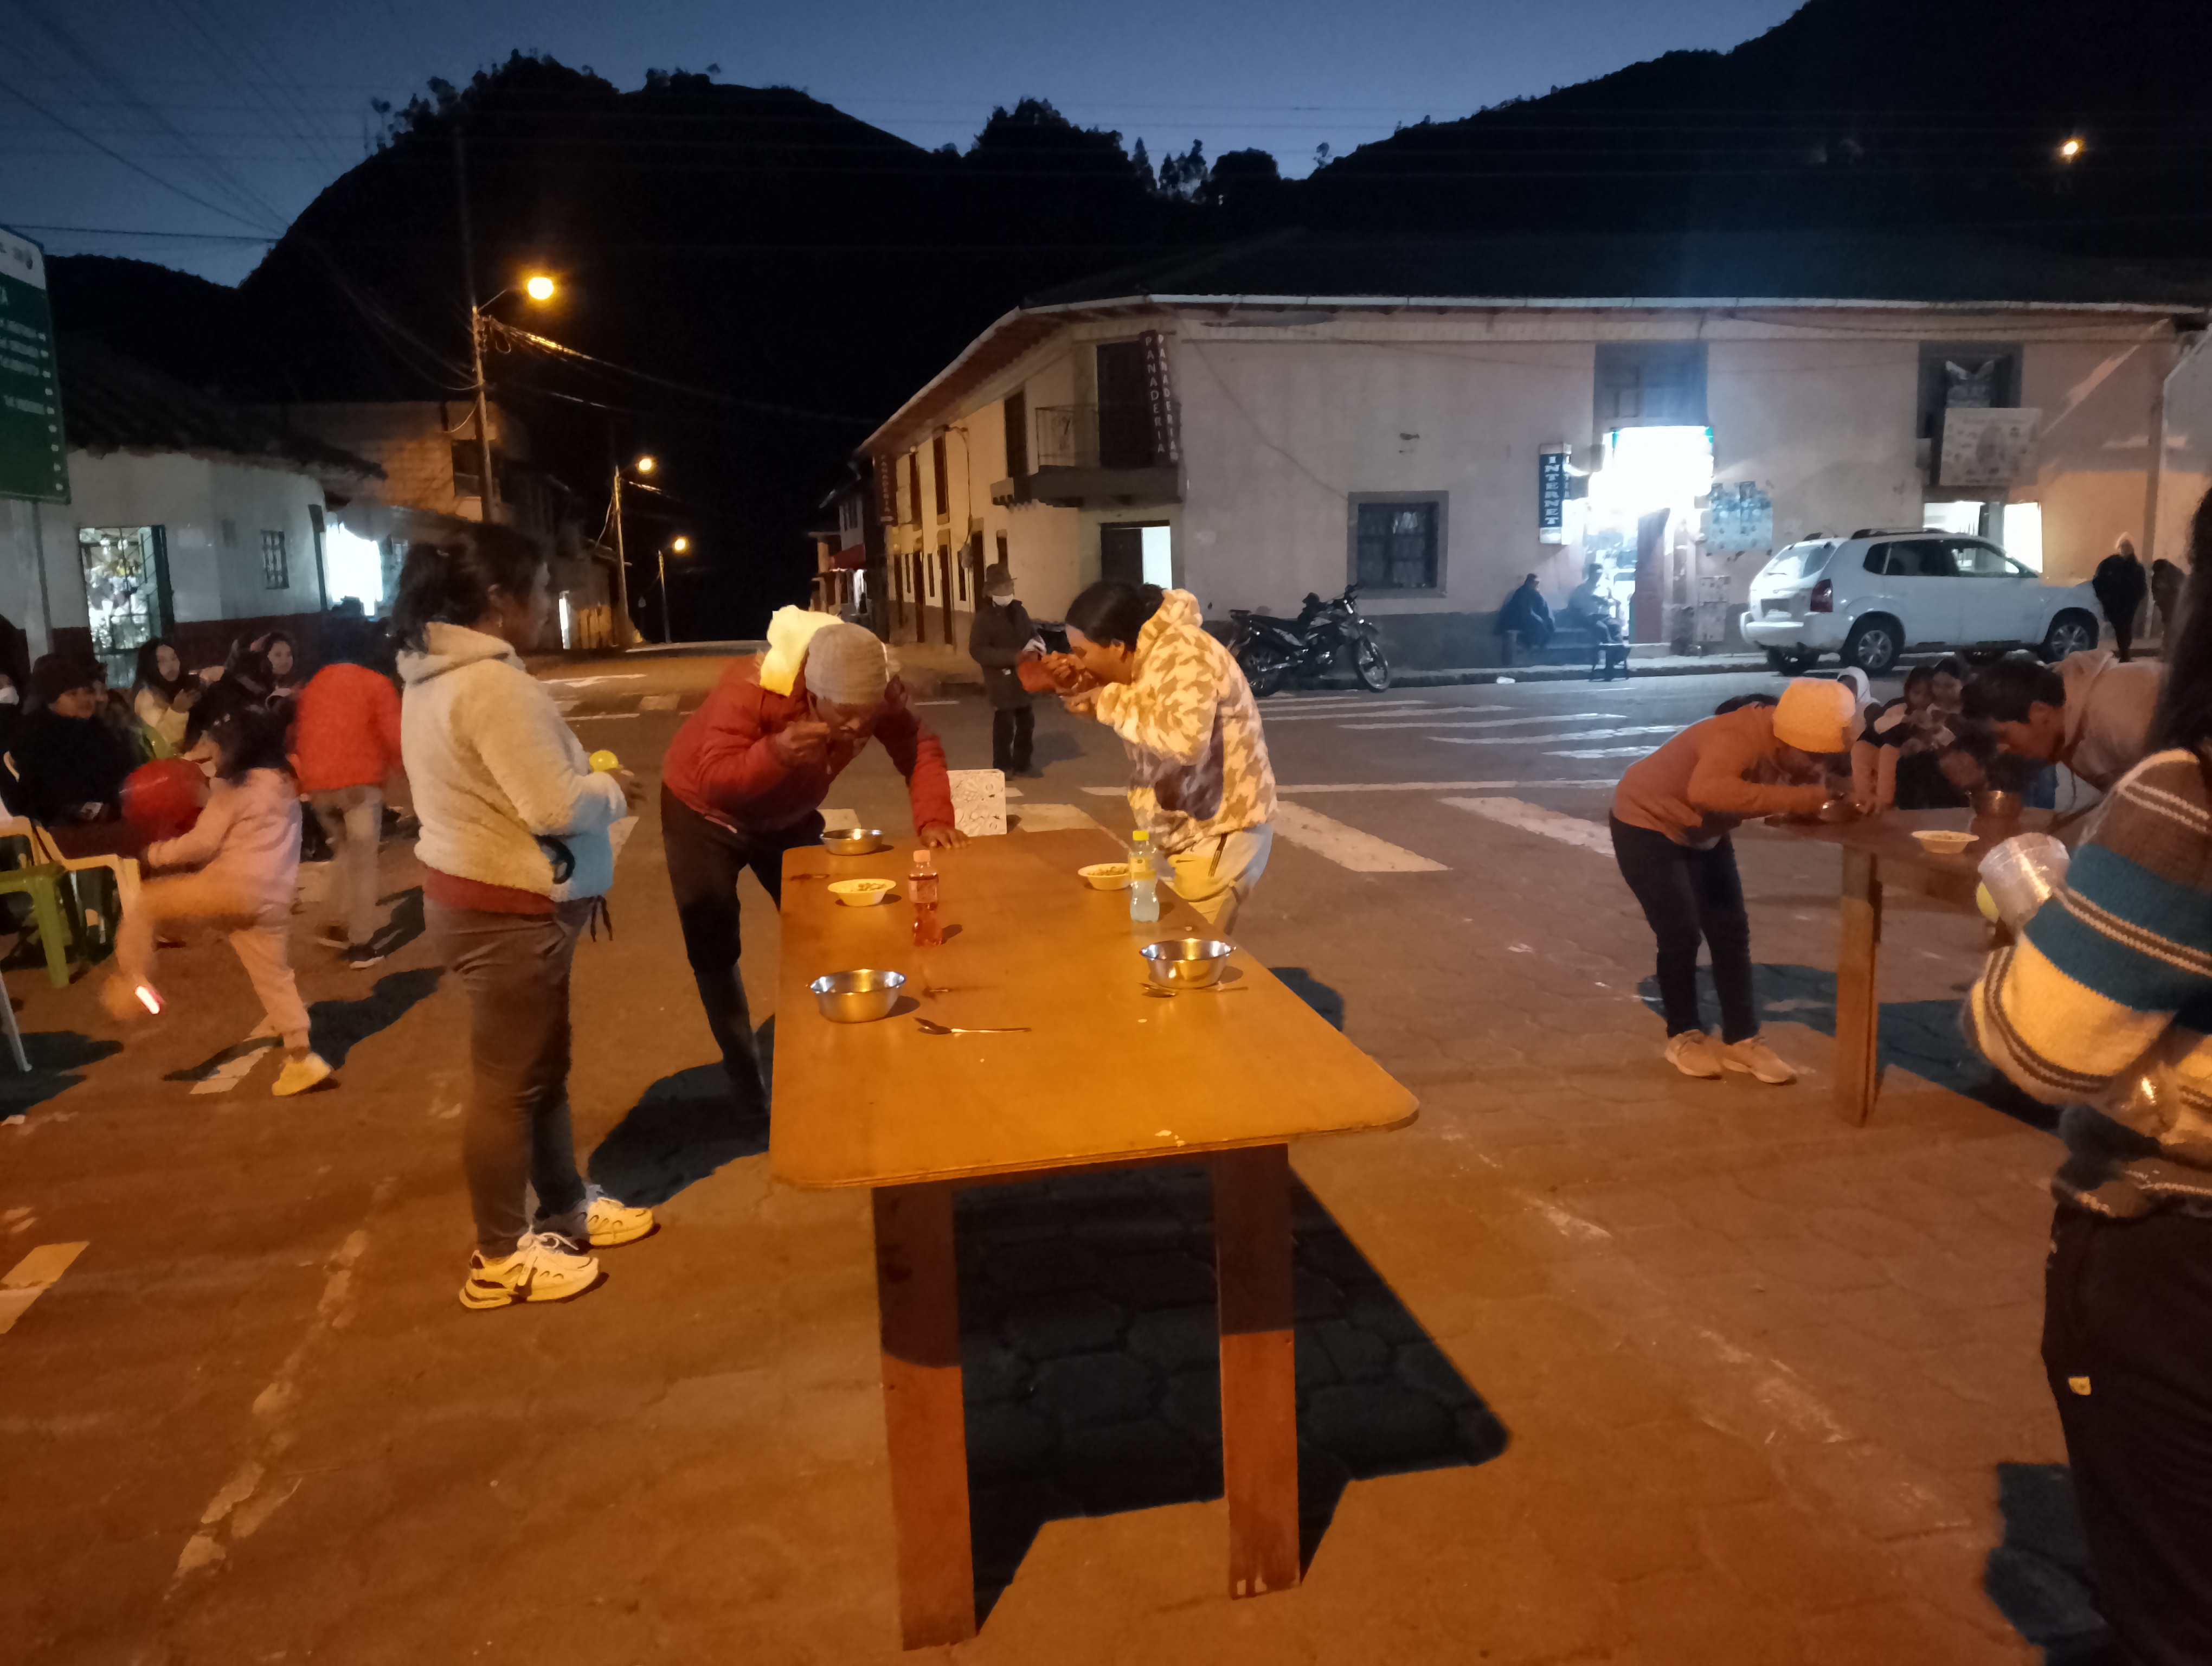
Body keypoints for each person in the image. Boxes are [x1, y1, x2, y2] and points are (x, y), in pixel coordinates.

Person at [1963, 534, 2212, 1664]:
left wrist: (2040, 919)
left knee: (2172, 1602)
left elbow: (2039, 1043)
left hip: (2179, 1253)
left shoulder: (2190, 785)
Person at [395, 524, 654, 1310]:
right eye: (540, 589)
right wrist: (612, 789)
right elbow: (554, 805)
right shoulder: (492, 685)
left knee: (539, 1073)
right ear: (497, 600)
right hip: (505, 910)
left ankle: (565, 1206)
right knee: (509, 1085)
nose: (550, 602)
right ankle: (500, 1258)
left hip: (483, 899)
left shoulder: (433, 676)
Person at [660, 621, 961, 1117]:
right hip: (703, 812)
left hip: (787, 815)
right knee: (713, 948)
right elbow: (715, 778)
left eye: (868, 714)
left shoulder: (877, 695)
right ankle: (745, 1079)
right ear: (815, 693)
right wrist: (775, 754)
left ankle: (839, 1057)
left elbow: (919, 746)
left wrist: (935, 821)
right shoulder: (755, 688)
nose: (858, 727)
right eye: (845, 714)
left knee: (825, 931)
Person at [1610, 677, 1855, 1084]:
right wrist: (1805, 800)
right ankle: (1683, 1035)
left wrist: (1850, 799)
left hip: (1704, 831)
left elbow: (1809, 792)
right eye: (1812, 758)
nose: (1818, 769)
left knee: (1730, 931)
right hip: (1646, 821)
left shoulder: (1797, 748)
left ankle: (1742, 1039)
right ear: (1784, 739)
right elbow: (1708, 792)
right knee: (1681, 933)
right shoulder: (1737, 737)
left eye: (1826, 760)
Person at [102, 702, 332, 1097]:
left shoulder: (236, 792)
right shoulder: (284, 784)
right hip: (274, 899)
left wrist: (154, 854)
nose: (212, 749)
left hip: (230, 889)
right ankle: (301, 1057)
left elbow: (202, 844)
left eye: (218, 743)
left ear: (237, 748)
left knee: (150, 902)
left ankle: (133, 981)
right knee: (274, 977)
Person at [1041, 581, 1277, 932]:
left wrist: (1108, 700)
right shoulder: (1152, 657)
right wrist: (1083, 683)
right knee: (1175, 948)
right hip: (1195, 836)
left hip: (1219, 835)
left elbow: (1184, 739)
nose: (1076, 659)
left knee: (1186, 951)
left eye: (1082, 652)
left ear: (1118, 646)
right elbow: (1147, 705)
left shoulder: (1183, 653)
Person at [294, 617, 406, 967]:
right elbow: (396, 738)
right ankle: (361, 943)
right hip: (360, 785)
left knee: (344, 853)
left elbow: (303, 735)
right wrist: (408, 777)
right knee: (364, 863)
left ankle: (336, 922)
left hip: (318, 787)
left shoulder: (314, 685)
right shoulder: (375, 683)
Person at [1961, 650, 2162, 797]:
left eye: (2002, 736)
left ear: (2040, 712)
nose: (2001, 748)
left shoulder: (2117, 715)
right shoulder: (2065, 728)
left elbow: (2177, 790)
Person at [12, 656, 135, 849]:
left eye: (87, 692)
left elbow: (125, 770)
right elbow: (43, 795)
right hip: (65, 831)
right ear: (51, 700)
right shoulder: (37, 736)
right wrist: (86, 809)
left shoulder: (95, 728)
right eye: (72, 694)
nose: (84, 699)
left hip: (114, 817)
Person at [969, 564, 1041, 776]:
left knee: (1027, 721)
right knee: (1005, 724)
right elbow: (978, 650)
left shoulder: (1020, 612)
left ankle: (1023, 763)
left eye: (1008, 585)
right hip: (1000, 680)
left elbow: (1032, 634)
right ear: (990, 591)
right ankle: (1002, 765)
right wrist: (1012, 657)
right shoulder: (984, 618)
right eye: (1001, 587)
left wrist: (1038, 646)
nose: (1006, 590)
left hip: (1024, 677)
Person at [132, 638, 200, 753]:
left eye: (174, 658)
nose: (171, 665)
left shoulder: (181, 687)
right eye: (161, 661)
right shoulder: (146, 698)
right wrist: (177, 712)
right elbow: (159, 746)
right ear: (150, 665)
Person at [2093, 535, 2149, 663]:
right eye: (2124, 548)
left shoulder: (2130, 567)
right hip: (2118, 604)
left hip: (2125, 604)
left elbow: (2141, 587)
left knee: (2124, 628)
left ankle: (2125, 653)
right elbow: (2100, 582)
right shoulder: (2114, 565)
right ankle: (2125, 653)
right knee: (2122, 628)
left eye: (2127, 548)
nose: (2125, 551)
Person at [1497, 573, 1554, 652]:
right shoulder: (1522, 593)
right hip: (1519, 620)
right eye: (1534, 583)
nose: (1536, 585)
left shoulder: (1537, 594)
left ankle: (1544, 643)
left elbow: (1543, 608)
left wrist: (1548, 618)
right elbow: (1525, 611)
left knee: (1549, 622)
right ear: (1529, 583)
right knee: (1537, 623)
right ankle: (1535, 644)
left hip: (1533, 617)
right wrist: (1538, 619)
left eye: (1537, 583)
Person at [2151, 555, 2185, 646]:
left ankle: (2170, 644)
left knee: (2171, 625)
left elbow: (2179, 589)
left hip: (2173, 604)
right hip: (2166, 604)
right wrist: (2158, 599)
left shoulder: (2175, 574)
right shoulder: (2159, 575)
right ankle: (2168, 644)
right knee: (2168, 624)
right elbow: (2155, 589)